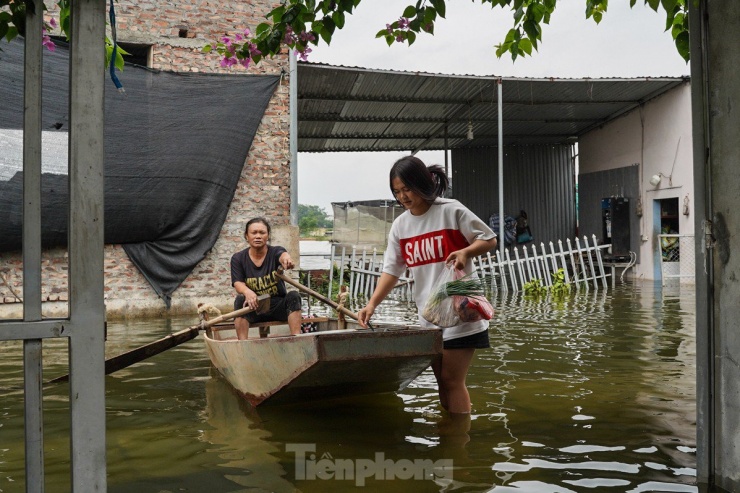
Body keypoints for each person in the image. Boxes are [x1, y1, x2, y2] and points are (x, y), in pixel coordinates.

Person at [358, 156, 497, 414]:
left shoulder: (450, 210)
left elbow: (489, 239)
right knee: (441, 383)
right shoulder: (401, 225)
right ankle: (450, 436)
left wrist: (466, 252)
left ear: (421, 183)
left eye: (407, 189)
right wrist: (372, 304)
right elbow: (392, 270)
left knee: (452, 381)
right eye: (397, 192)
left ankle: (459, 441)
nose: (403, 197)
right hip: (430, 315)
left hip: (461, 310)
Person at [231, 217, 302, 340]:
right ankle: (242, 344)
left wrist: (287, 260)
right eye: (254, 233)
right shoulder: (238, 258)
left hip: (277, 307)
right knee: (239, 300)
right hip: (253, 307)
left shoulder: (275, 252)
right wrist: (248, 292)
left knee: (294, 296)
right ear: (246, 236)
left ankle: (296, 340)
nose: (258, 236)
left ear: (268, 236)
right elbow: (238, 283)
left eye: (262, 232)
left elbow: (283, 255)